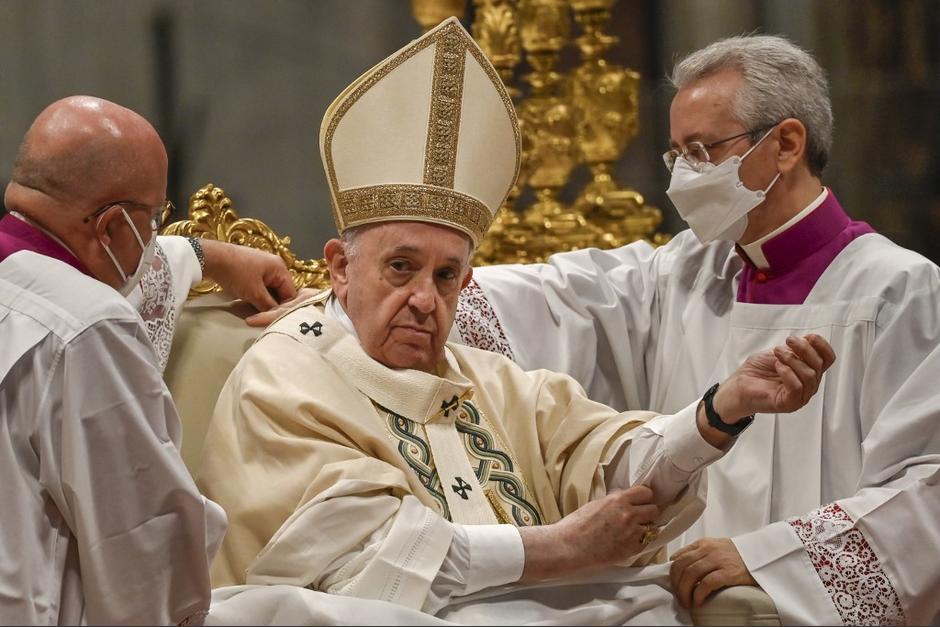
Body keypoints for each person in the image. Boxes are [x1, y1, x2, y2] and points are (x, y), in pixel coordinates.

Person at [198, 20, 833, 625]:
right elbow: (354, 563)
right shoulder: (284, 376)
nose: (425, 299)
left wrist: (718, 412)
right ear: (338, 267)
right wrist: (559, 548)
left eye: (447, 277)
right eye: (400, 268)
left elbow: (606, 458)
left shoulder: (487, 379)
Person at [458, 34, 940, 625]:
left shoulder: (902, 291)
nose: (683, 177)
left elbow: (927, 490)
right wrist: (379, 288)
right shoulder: (687, 268)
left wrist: (768, 559)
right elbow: (563, 297)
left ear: (786, 143)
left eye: (701, 150)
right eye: (675, 155)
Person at [0, 94, 293, 624]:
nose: (156, 239)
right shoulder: (88, 329)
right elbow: (140, 540)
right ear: (112, 225)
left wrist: (212, 255)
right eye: (153, 217)